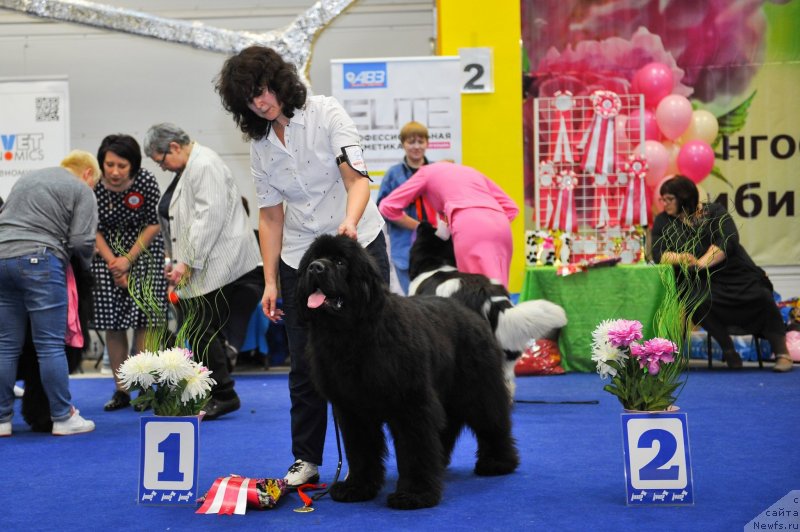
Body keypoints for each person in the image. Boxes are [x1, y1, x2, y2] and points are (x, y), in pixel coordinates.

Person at [215, 45, 389, 486]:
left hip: (355, 248)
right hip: (300, 258)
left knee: (369, 359)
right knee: (306, 365)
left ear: (280, 82)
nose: (260, 102)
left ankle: (367, 461)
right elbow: (271, 217)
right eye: (249, 99)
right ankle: (306, 459)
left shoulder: (327, 113)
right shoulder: (260, 145)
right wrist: (270, 280)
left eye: (263, 90)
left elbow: (357, 180)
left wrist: (349, 223)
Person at [142, 123, 264, 419]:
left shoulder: (204, 164)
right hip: (202, 263)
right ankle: (215, 390)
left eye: (161, 160)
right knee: (201, 328)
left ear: (174, 147)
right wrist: (175, 260)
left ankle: (224, 394)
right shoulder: (190, 168)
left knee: (199, 328)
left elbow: (208, 217)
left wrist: (186, 262)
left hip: (218, 262)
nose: (162, 166)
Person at [0, 150, 101, 436]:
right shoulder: (82, 189)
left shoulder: (27, 179)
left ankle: (2, 420)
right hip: (39, 261)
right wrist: (84, 267)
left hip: (2, 258)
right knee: (50, 345)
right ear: (88, 174)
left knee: (6, 345)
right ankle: (62, 416)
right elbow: (81, 241)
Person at [651, 175, 792, 373]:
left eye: (669, 199)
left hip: (733, 271)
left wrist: (701, 263)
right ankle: (728, 349)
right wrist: (681, 257)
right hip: (698, 280)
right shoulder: (663, 220)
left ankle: (782, 352)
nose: (664, 203)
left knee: (761, 294)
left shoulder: (714, 211)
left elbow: (728, 240)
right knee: (696, 301)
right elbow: (659, 254)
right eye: (662, 199)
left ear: (684, 197)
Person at [91, 134, 169, 411]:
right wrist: (115, 263)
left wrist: (128, 259)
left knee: (144, 322)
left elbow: (153, 224)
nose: (114, 172)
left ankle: (143, 387)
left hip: (143, 253)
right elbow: (92, 228)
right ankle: (121, 390)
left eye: (122, 166)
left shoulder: (145, 181)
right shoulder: (93, 185)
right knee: (113, 325)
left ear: (133, 166)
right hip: (106, 257)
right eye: (109, 164)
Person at [378, 161, 519, 287]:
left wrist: (420, 227)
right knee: (499, 290)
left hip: (467, 223)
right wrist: (488, 226)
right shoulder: (470, 171)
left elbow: (387, 206)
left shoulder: (425, 172)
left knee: (473, 292)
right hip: (501, 225)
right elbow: (512, 208)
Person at [376, 121, 434, 294]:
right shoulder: (393, 174)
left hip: (433, 244)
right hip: (404, 246)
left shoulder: (436, 170)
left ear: (427, 143)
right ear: (403, 144)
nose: (416, 146)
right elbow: (381, 209)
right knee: (412, 296)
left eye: (420, 141)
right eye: (411, 142)